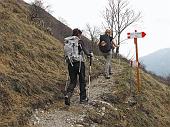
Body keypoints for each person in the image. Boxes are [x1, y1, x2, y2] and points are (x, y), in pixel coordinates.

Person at [64, 28, 93, 106]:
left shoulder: (68, 41)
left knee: (73, 81)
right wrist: (90, 54)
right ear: (79, 34)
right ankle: (83, 99)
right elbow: (86, 52)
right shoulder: (79, 41)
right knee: (82, 81)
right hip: (79, 63)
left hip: (70, 63)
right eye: (80, 35)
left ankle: (68, 95)